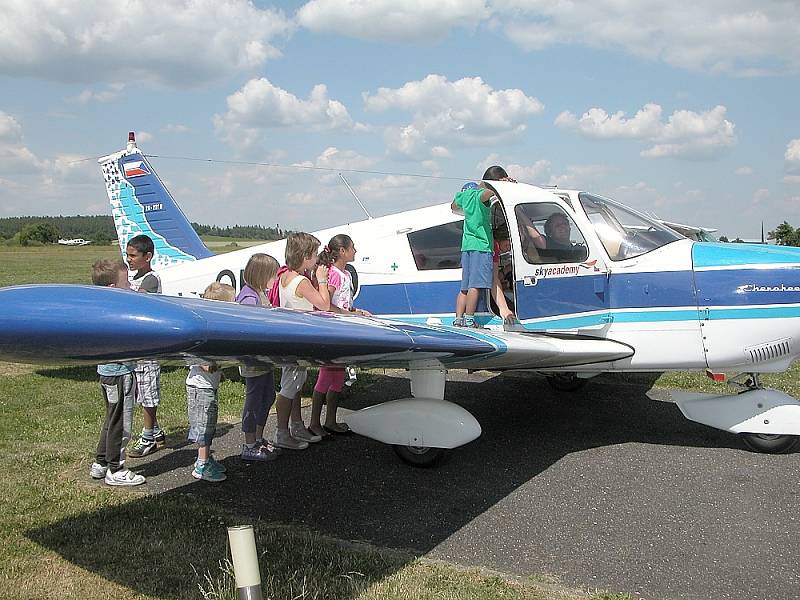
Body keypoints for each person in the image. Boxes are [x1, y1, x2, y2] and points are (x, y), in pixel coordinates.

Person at [89, 259, 145, 487]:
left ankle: (101, 462)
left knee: (111, 417)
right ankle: (116, 468)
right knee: (122, 422)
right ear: (113, 288)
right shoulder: (116, 312)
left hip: (106, 372)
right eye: (126, 282)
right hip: (120, 373)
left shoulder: (99, 309)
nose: (130, 286)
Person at [273, 232, 331, 450]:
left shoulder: (285, 276)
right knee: (289, 387)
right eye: (314, 254)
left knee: (295, 385)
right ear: (306, 256)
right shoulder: (302, 281)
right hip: (298, 339)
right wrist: (323, 281)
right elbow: (323, 305)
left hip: (290, 336)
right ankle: (281, 432)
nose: (317, 259)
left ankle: (296, 425)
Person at [309, 234, 371, 438]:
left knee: (337, 378)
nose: (356, 251)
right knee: (326, 376)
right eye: (353, 247)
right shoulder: (334, 274)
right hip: (333, 330)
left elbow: (343, 302)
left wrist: (355, 311)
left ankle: (330, 421)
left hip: (343, 329)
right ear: (342, 251)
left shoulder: (344, 273)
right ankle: (315, 422)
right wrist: (345, 314)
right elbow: (326, 304)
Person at [186, 282, 236, 482]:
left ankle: (206, 459)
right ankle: (202, 465)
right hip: (200, 388)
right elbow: (205, 364)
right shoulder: (203, 332)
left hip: (207, 386)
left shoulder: (211, 329)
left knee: (210, 424)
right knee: (204, 425)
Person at [236, 253, 282, 462]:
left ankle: (259, 438)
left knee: (268, 396)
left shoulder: (259, 293)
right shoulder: (249, 297)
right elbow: (247, 328)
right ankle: (249, 443)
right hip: (254, 360)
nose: (275, 279)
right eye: (272, 275)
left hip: (264, 359)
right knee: (254, 399)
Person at [125, 234, 166, 458]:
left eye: (133, 255)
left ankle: (148, 436)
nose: (129, 259)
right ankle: (156, 431)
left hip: (148, 349)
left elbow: (137, 303)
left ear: (147, 256)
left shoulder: (150, 279)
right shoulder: (135, 277)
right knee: (139, 391)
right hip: (136, 346)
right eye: (127, 254)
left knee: (148, 393)